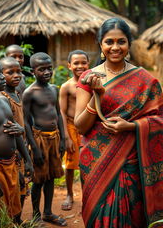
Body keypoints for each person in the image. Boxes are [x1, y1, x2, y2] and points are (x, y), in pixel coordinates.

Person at [74, 18, 163, 228]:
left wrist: (131, 126)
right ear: (100, 44)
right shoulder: (89, 77)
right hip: (96, 161)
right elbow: (80, 126)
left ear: (129, 44)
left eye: (121, 41)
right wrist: (96, 95)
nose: (115, 47)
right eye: (109, 42)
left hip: (131, 160)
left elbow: (160, 120)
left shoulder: (145, 80)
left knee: (132, 215)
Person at [22, 52, 67, 226]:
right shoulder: (29, 92)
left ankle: (48, 212)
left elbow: (58, 115)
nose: (47, 72)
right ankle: (35, 215)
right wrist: (34, 146)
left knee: (51, 177)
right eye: (42, 69)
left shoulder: (54, 89)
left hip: (54, 138)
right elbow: (25, 121)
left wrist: (62, 139)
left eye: (49, 68)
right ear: (33, 71)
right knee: (39, 179)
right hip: (39, 139)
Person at [0, 57, 33, 225]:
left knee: (12, 206)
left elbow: (15, 132)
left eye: (1, 72)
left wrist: (27, 160)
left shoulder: (3, 101)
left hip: (11, 164)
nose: (1, 77)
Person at [0, 57, 29, 212]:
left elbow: (22, 125)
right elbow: (9, 131)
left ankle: (18, 219)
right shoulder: (2, 98)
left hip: (21, 147)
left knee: (21, 189)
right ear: (1, 75)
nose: (17, 75)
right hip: (13, 152)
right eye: (10, 72)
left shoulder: (16, 92)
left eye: (19, 72)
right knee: (14, 187)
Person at [59, 50, 89, 211]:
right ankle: (69, 194)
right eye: (76, 63)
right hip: (71, 128)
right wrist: (66, 137)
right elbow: (62, 112)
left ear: (88, 64)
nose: (80, 66)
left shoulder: (91, 83)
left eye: (83, 62)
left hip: (88, 128)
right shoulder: (66, 87)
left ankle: (88, 195)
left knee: (88, 163)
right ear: (69, 65)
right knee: (70, 165)